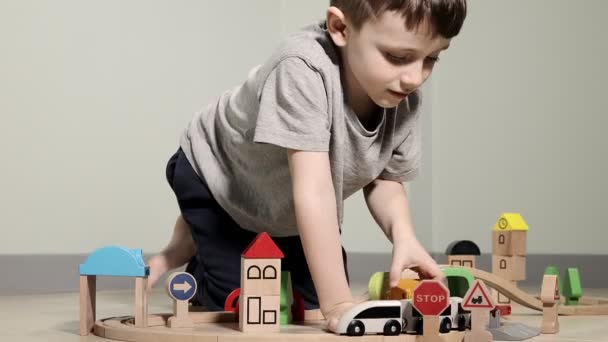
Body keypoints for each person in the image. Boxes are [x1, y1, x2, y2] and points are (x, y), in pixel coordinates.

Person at [148, 0, 467, 332]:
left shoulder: (404, 97)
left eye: (432, 58)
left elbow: (385, 180)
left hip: (281, 202)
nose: (415, 77)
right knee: (243, 301)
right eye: (397, 57)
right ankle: (196, 238)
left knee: (306, 303)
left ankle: (195, 235)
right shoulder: (301, 67)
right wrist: (339, 303)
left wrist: (404, 237)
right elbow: (313, 192)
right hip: (217, 175)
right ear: (341, 28)